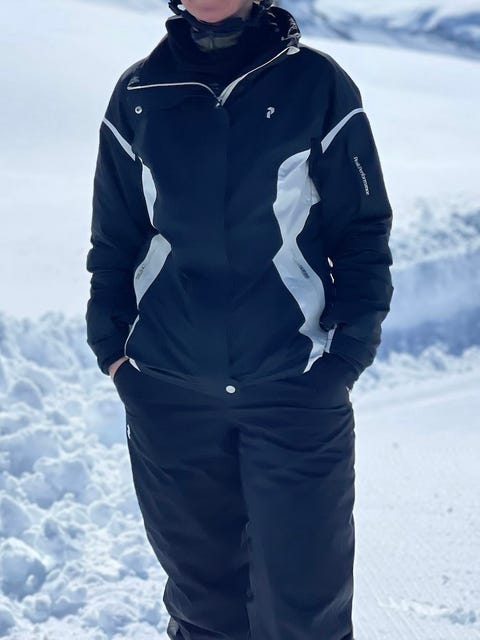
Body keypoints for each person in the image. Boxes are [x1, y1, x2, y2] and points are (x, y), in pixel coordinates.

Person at [85, 0, 393, 638]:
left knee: (305, 614)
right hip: (169, 393)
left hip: (294, 389)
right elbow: (115, 238)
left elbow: (362, 230)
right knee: (204, 613)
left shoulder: (317, 84)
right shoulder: (139, 94)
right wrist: (114, 353)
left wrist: (345, 357)